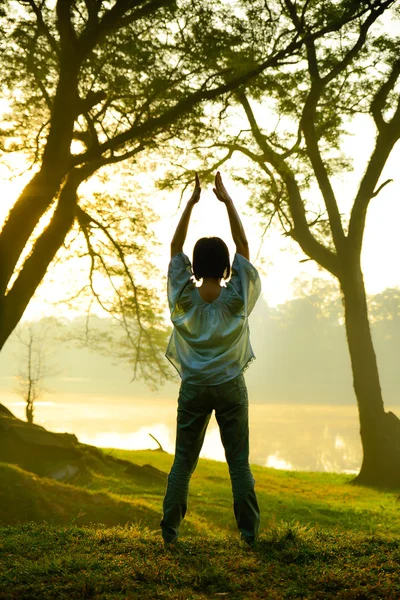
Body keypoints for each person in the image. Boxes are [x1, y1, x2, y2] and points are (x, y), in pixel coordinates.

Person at [160, 171, 261, 545]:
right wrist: (228, 202)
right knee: (238, 463)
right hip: (231, 386)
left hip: (194, 388)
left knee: (183, 463)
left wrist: (190, 203)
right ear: (225, 267)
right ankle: (249, 535)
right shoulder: (237, 297)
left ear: (195, 265)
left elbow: (174, 248)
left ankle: (169, 533)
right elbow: (244, 245)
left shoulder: (183, 298)